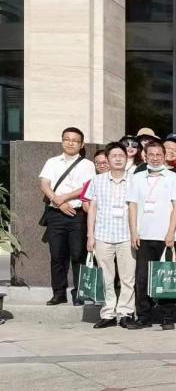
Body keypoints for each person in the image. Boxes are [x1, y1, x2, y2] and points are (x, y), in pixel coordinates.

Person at [126, 140, 176, 330]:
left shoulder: (173, 177)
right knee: (142, 277)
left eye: (158, 154)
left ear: (164, 156)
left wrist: (171, 232)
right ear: (145, 156)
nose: (155, 158)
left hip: (166, 236)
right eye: (151, 154)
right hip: (143, 235)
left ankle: (167, 316)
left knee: (166, 276)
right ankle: (143, 316)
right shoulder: (137, 177)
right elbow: (132, 206)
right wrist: (134, 231)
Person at [39, 126, 95, 305]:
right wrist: (58, 201)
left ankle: (79, 293)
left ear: (82, 144)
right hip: (55, 214)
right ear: (62, 141)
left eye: (75, 140)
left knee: (78, 255)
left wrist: (65, 198)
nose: (71, 143)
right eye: (67, 139)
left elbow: (87, 187)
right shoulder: (52, 161)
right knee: (57, 255)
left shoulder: (88, 165)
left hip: (77, 215)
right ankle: (58, 293)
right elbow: (44, 184)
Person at [85, 142, 135, 327]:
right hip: (103, 235)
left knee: (127, 278)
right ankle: (108, 313)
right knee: (106, 277)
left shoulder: (135, 180)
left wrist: (136, 234)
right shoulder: (97, 180)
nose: (118, 159)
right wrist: (90, 235)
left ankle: (125, 312)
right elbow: (92, 209)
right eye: (114, 156)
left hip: (127, 235)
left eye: (121, 156)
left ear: (127, 158)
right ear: (107, 159)